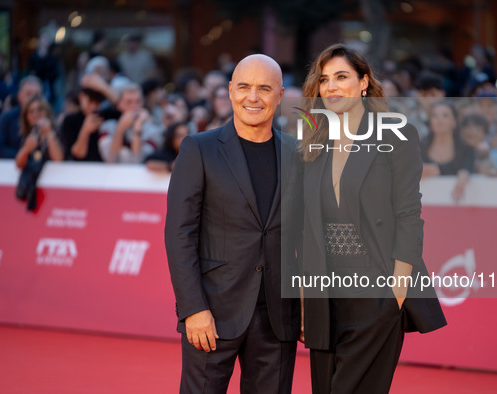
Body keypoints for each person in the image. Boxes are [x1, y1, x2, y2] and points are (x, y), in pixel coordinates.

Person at [299, 43, 446, 394]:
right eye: (324, 79)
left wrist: (393, 295)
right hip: (324, 293)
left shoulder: (395, 135)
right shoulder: (314, 138)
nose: (331, 86)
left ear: (364, 83)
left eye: (341, 77)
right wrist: (305, 300)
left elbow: (409, 216)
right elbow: (306, 231)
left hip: (375, 289)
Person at [165, 54, 300, 394]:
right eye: (244, 87)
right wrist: (193, 309)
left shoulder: (299, 154)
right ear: (230, 91)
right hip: (212, 313)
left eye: (264, 89)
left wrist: (306, 306)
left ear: (280, 95)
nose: (252, 97)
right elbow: (179, 234)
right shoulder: (200, 149)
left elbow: (307, 237)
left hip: (278, 318)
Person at [421, 100, 474, 201]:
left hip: (457, 204)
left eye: (445, 115)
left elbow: (468, 168)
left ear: (454, 121)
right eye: (435, 116)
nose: (439, 120)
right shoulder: (419, 147)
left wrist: (465, 174)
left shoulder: (466, 149)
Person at [0, 76, 42, 158]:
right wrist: (25, 154)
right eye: (28, 94)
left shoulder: (48, 119)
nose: (33, 99)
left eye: (37, 95)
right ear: (19, 96)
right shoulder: (7, 117)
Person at [14, 95, 63, 169]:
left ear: (47, 112)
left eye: (39, 109)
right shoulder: (28, 134)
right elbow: (18, 165)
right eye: (31, 111)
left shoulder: (58, 130)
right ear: (26, 117)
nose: (36, 114)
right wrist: (26, 149)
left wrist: (49, 133)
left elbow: (58, 160)